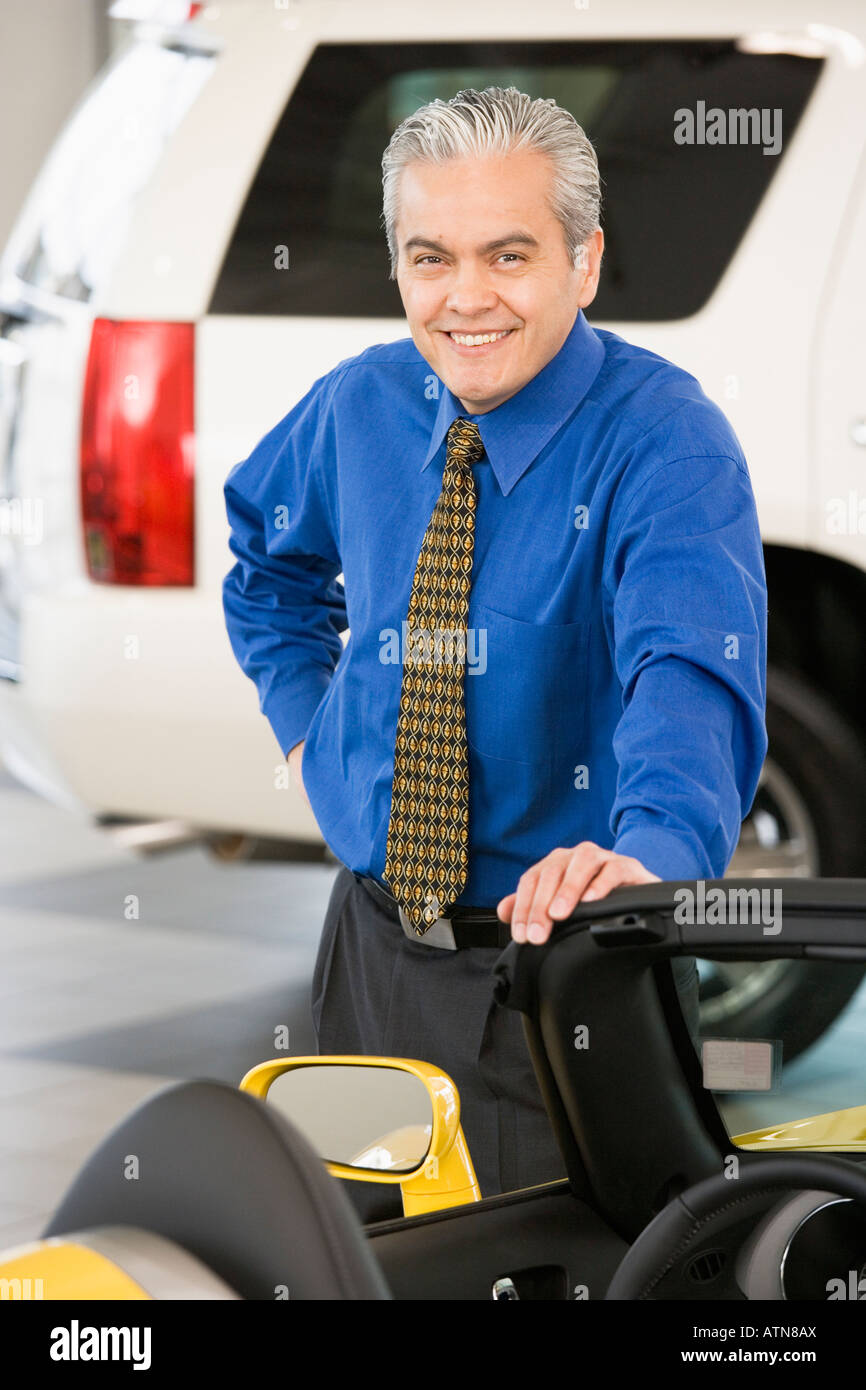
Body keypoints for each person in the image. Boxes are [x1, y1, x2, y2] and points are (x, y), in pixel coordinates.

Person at [222, 87, 767, 1209]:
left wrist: (655, 850)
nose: (465, 299)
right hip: (368, 953)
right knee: (361, 1271)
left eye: (508, 255)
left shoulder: (666, 442)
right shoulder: (357, 406)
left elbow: (689, 666)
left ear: (584, 260)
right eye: (430, 258)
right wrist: (314, 739)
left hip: (558, 977)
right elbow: (266, 571)